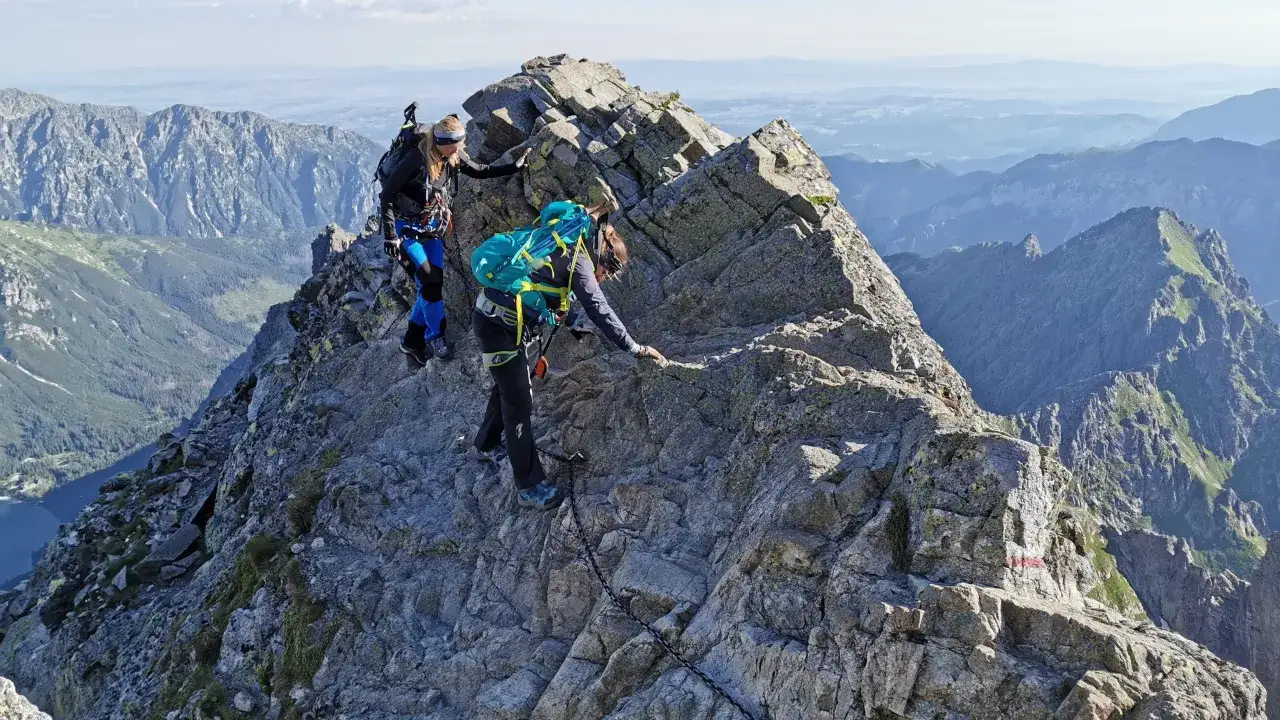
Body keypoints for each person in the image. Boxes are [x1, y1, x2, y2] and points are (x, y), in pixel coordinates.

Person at [472, 201, 666, 510]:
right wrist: (634, 347)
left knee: (508, 387)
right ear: (604, 258)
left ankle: (486, 443)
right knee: (519, 401)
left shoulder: (568, 241)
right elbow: (597, 307)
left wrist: (571, 321)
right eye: (606, 273)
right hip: (499, 327)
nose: (603, 278)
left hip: (496, 319)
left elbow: (551, 286)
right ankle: (529, 487)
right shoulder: (581, 262)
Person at [381, 114, 530, 364]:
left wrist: (513, 167)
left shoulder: (452, 156)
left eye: (461, 143)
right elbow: (387, 195)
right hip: (405, 230)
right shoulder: (415, 160)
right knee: (430, 281)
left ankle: (411, 342)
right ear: (441, 141)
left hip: (430, 229)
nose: (460, 148)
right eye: (456, 143)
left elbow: (479, 171)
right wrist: (390, 237)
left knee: (430, 284)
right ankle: (435, 336)